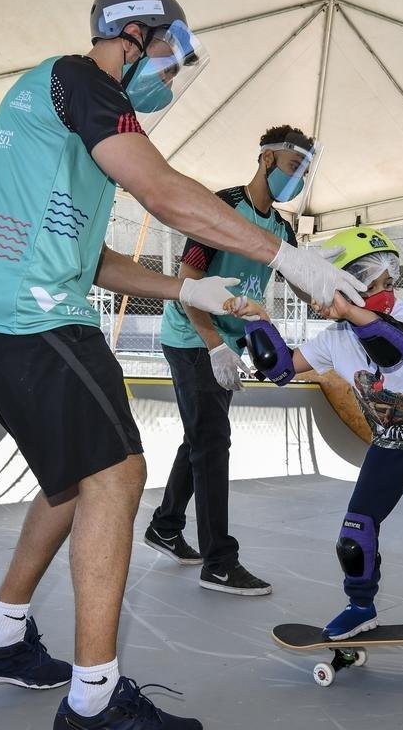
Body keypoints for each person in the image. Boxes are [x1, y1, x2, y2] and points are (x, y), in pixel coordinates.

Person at [0, 0, 364, 730]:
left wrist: (186, 290)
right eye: (170, 54)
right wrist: (290, 260)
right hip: (32, 317)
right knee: (118, 475)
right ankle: (94, 702)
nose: (171, 74)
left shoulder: (57, 114)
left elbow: (92, 258)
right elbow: (164, 192)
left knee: (72, 483)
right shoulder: (83, 82)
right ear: (131, 34)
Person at [231, 226, 403, 640]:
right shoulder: (331, 340)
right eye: (376, 286)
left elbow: (393, 348)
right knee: (354, 534)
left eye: (389, 283)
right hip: (391, 441)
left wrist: (350, 310)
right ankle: (360, 607)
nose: (388, 294)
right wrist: (257, 320)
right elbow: (280, 368)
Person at [146, 124, 320, 597]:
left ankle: (165, 526)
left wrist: (325, 280)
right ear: (266, 159)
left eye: (304, 172)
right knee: (212, 441)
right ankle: (219, 562)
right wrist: (214, 345)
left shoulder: (281, 229)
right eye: (292, 166)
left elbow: (302, 284)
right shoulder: (220, 209)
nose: (297, 178)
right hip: (192, 335)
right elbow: (188, 284)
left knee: (201, 437)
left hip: (228, 341)